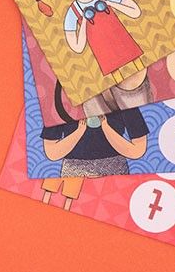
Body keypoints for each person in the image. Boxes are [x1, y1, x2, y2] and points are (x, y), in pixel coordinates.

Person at [39, 81, 149, 211]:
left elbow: (138, 150)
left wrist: (106, 129)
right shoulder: (60, 101)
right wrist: (79, 132)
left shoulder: (122, 100)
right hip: (73, 171)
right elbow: (52, 152)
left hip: (114, 170)